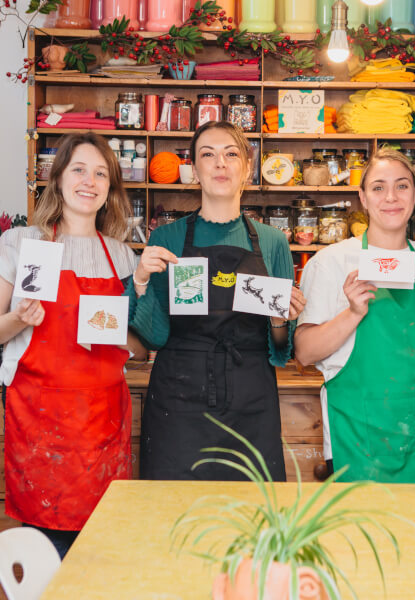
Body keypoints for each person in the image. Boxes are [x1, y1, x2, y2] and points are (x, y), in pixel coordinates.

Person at [0, 132, 145, 558]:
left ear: (110, 189)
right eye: (79, 170)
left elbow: (139, 348)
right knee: (46, 549)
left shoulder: (123, 257)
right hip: (40, 417)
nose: (90, 181)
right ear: (58, 179)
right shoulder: (21, 243)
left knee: (101, 547)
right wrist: (17, 318)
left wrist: (110, 325)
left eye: (101, 173)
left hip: (102, 418)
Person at [128, 120, 306, 481]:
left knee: (253, 517)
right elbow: (154, 338)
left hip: (251, 397)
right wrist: (141, 281)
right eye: (207, 155)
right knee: (175, 514)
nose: (220, 163)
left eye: (231, 154)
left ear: (247, 167)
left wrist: (279, 320)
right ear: (194, 170)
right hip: (178, 399)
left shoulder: (272, 242)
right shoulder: (168, 237)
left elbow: (281, 351)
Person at [294, 147, 415, 490]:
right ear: (362, 197)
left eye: (402, 186)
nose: (391, 197)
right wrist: (353, 312)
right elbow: (305, 352)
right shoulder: (330, 263)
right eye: (378, 187)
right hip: (359, 436)